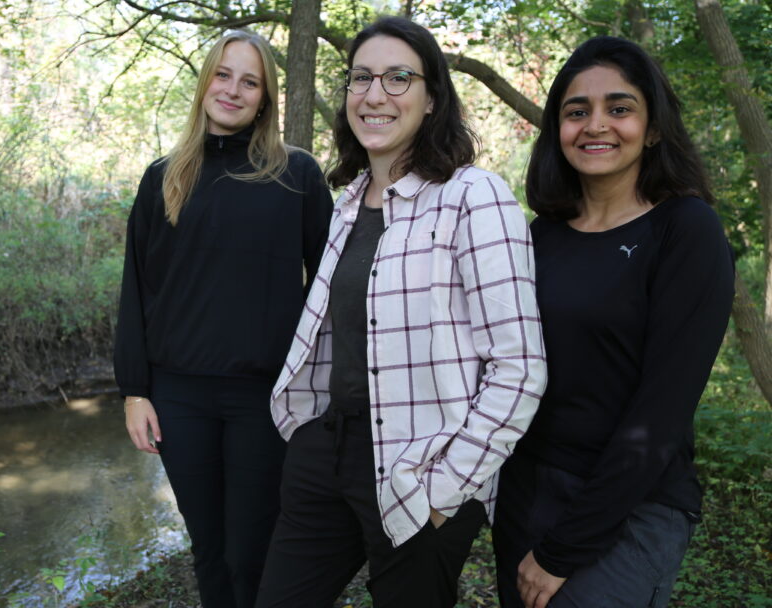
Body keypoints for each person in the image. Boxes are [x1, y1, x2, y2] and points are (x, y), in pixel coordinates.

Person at [255, 17, 546, 608]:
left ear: (431, 96)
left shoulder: (474, 195)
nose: (375, 94)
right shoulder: (345, 204)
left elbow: (519, 368)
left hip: (422, 466)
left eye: (398, 78)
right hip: (326, 451)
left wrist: (448, 489)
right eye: (361, 78)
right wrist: (306, 435)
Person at [492, 36, 734, 608]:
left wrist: (563, 551)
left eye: (619, 109)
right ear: (558, 130)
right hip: (526, 498)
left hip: (628, 509)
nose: (595, 125)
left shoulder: (685, 230)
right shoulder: (539, 237)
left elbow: (662, 412)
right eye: (578, 112)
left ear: (652, 128)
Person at [113, 30, 333, 608]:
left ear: (265, 98)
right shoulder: (164, 175)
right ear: (205, 80)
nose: (233, 90)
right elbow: (137, 286)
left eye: (250, 81)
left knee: (250, 552)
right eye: (223, 74)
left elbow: (333, 287)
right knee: (208, 549)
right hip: (178, 398)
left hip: (262, 400)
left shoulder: (296, 176)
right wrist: (134, 390)